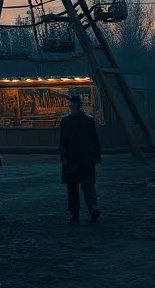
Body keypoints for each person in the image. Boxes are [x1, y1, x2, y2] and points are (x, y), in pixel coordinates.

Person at [60, 94, 102, 224]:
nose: (71, 108)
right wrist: (96, 156)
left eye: (72, 106)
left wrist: (63, 156)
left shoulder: (66, 121)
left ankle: (75, 214)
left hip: (73, 159)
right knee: (87, 185)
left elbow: (63, 141)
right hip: (86, 158)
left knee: (73, 188)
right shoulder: (89, 121)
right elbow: (95, 140)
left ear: (77, 106)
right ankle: (92, 208)